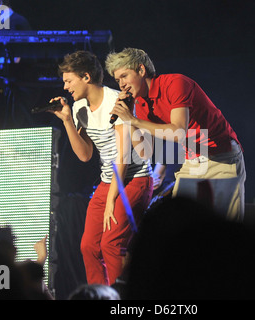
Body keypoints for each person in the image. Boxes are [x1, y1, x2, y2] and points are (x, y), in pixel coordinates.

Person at [105, 48, 246, 221]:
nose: (121, 84)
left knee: (227, 228)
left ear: (141, 70)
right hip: (194, 155)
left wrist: (133, 121)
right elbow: (145, 152)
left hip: (221, 154)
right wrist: (129, 119)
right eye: (118, 80)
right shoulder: (140, 103)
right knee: (179, 221)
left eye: (124, 76)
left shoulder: (175, 83)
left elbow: (178, 132)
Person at [50, 50, 153, 286]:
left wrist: (110, 201)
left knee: (111, 244)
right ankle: (99, 294)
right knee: (88, 246)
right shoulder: (79, 109)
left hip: (135, 179)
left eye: (68, 81)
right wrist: (67, 120)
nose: (66, 87)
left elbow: (123, 158)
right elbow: (85, 155)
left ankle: (121, 298)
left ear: (86, 77)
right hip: (109, 181)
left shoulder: (116, 101)